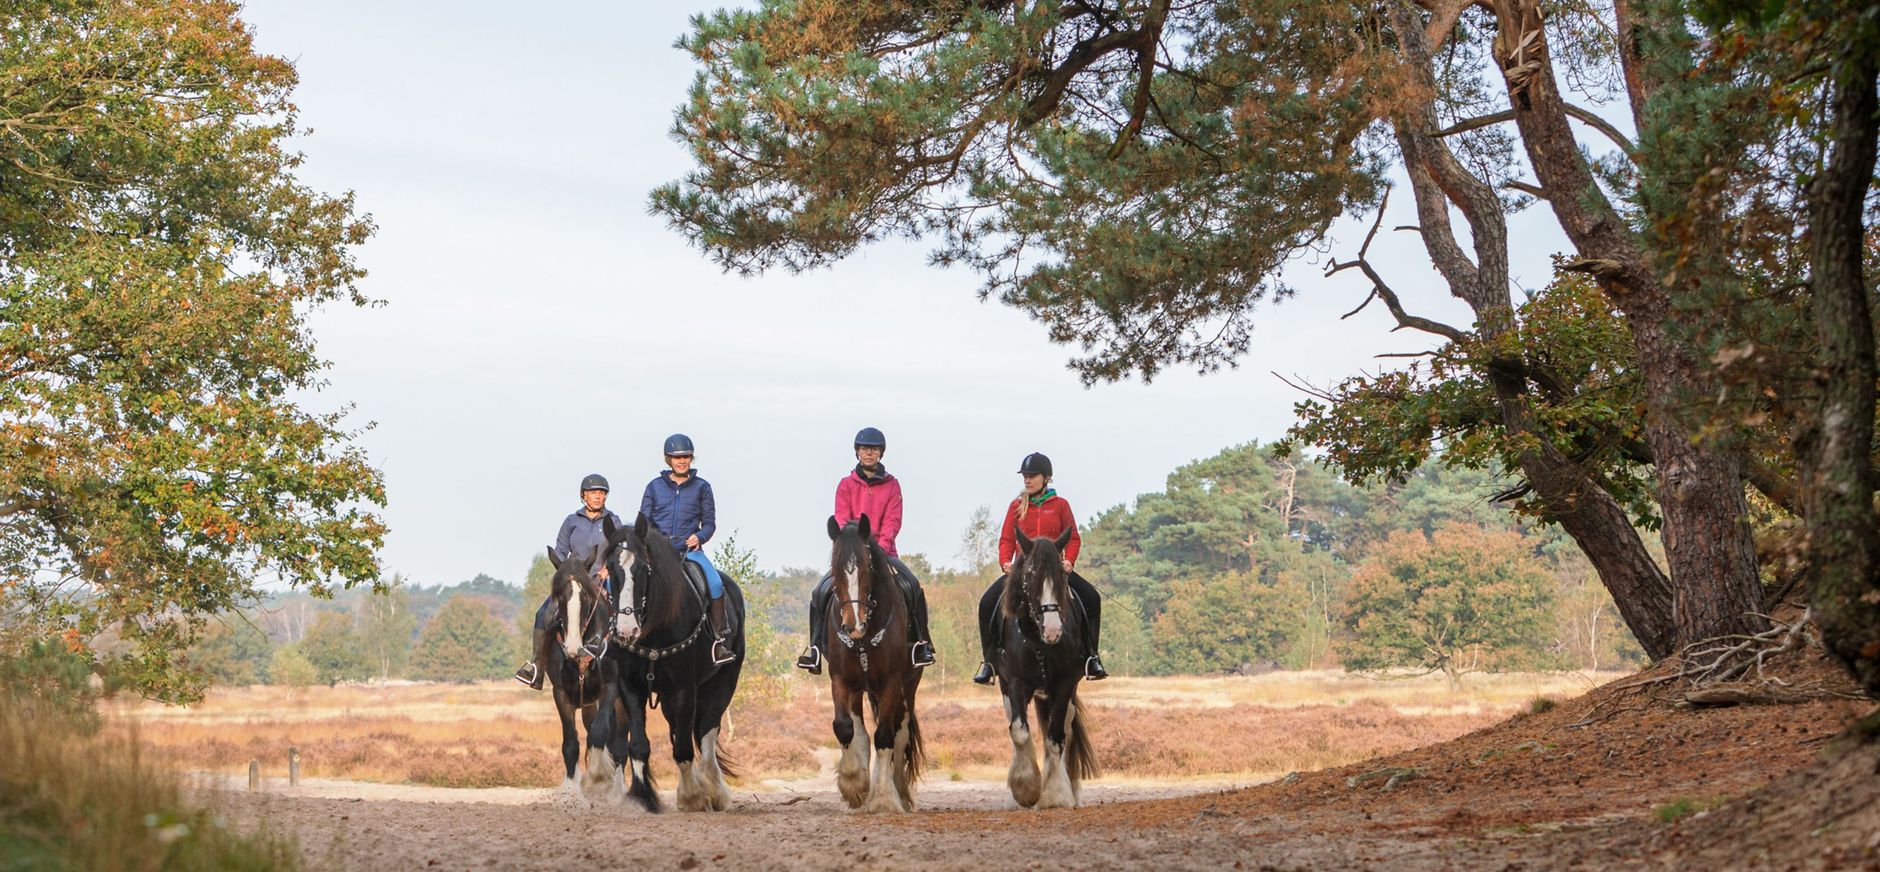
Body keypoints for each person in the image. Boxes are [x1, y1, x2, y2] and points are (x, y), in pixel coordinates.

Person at [796, 427, 936, 673]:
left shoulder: (892, 486)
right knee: (819, 592)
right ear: (857, 452)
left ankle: (921, 644)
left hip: (885, 554)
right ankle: (816, 648)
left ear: (881, 453)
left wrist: (878, 550)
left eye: (873, 449)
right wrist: (853, 549)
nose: (869, 453)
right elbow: (841, 520)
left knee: (912, 585)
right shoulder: (846, 485)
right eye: (864, 448)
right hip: (850, 555)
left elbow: (893, 521)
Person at [972, 452, 1107, 684]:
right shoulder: (1016, 506)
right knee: (987, 603)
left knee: (1092, 598)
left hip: (1055, 572)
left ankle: (1090, 657)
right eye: (1025, 475)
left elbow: (1073, 538)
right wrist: (1005, 561)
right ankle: (989, 662)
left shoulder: (1061, 505)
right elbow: (1006, 539)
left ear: (1046, 478)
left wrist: (1069, 561)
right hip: (1023, 573)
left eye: (1032, 475)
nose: (1027, 480)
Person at [514, 473, 622, 689]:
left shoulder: (613, 520)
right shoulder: (571, 521)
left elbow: (619, 549)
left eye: (601, 493)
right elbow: (561, 551)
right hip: (576, 582)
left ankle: (630, 666)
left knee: (625, 614)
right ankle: (537, 667)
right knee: (542, 613)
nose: (598, 497)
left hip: (603, 580)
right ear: (584, 496)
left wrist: (608, 569)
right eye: (593, 493)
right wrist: (567, 573)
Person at [639, 433, 736, 665]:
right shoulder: (654, 487)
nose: (682, 461)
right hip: (658, 553)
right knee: (630, 582)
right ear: (668, 459)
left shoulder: (702, 487)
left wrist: (699, 536)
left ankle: (718, 641)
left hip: (689, 552)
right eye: (677, 457)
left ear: (691, 459)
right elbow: (644, 521)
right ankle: (621, 635)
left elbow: (710, 524)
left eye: (686, 457)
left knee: (715, 583)